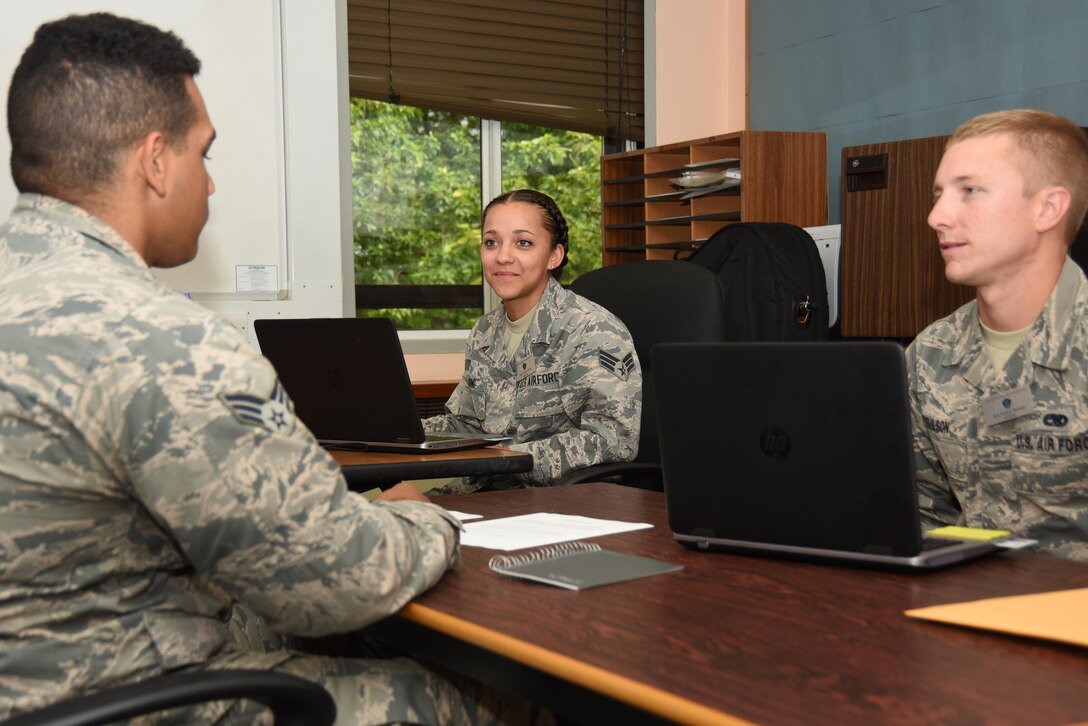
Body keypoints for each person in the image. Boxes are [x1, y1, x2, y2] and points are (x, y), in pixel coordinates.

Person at [0, 12, 544, 724]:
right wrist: (426, 521)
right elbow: (339, 576)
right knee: (501, 698)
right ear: (156, 161)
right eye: (206, 155)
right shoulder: (163, 342)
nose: (212, 186)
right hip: (127, 698)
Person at [908, 109, 1088, 561]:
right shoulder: (931, 354)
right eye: (939, 194)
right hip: (962, 609)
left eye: (969, 191)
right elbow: (921, 518)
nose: (937, 216)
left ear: (1047, 208)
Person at [423, 189, 641, 491]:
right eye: (491, 242)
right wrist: (396, 433)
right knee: (391, 519)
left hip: (560, 501)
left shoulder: (591, 329)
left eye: (523, 242)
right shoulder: (485, 331)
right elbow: (467, 426)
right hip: (487, 490)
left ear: (554, 255)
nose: (502, 256)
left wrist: (508, 458)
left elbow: (612, 439)